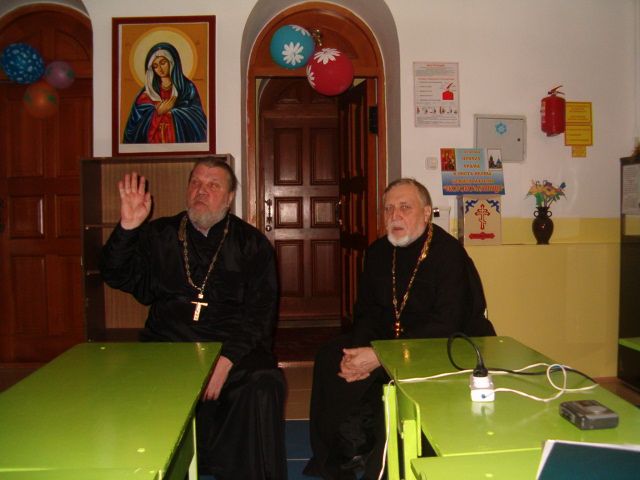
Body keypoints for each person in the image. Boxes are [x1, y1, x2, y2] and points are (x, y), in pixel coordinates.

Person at [99, 158, 287, 480]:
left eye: (213, 185)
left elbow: (261, 314)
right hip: (168, 344)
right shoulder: (160, 234)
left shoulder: (252, 244)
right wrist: (127, 228)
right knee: (132, 381)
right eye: (196, 183)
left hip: (231, 347)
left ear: (229, 198)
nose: (202, 191)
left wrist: (225, 361)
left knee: (264, 383)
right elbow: (115, 273)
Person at [303, 178, 494, 480]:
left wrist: (381, 356)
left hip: (442, 346)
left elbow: (447, 322)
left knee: (398, 376)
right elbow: (366, 312)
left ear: (427, 213)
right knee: (330, 357)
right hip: (389, 340)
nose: (395, 215)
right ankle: (345, 451)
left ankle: (385, 463)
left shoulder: (448, 254)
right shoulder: (378, 252)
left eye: (405, 207)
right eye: (388, 208)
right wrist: (358, 353)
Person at [124, 42, 207, 144]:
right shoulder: (148, 93)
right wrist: (157, 113)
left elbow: (197, 118)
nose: (160, 69)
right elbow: (134, 127)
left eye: (163, 63)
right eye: (155, 66)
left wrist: (172, 112)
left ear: (172, 62)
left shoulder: (187, 89)